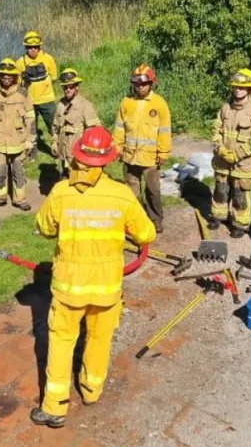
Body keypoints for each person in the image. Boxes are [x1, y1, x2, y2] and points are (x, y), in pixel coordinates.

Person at [30, 126, 157, 428]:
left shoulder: (61, 192)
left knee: (60, 342)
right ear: (107, 161)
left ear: (77, 156)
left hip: (68, 289)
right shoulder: (122, 195)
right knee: (99, 339)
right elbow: (146, 233)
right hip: (107, 289)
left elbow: (45, 228)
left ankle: (54, 407)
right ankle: (91, 391)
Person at [112, 64, 172, 233]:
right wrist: (117, 147)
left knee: (153, 189)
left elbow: (165, 130)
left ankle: (156, 219)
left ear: (151, 83)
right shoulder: (126, 102)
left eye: (143, 84)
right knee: (132, 190)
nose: (140, 87)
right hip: (130, 155)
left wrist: (164, 152)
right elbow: (119, 127)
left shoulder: (159, 104)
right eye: (137, 84)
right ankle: (136, 219)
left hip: (150, 158)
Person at [207, 69, 251, 238]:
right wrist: (221, 149)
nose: (237, 90)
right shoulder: (225, 107)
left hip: (244, 162)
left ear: (249, 89)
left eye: (242, 87)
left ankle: (240, 224)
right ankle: (219, 216)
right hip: (223, 159)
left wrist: (237, 154)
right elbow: (215, 130)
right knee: (221, 189)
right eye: (235, 87)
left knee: (240, 194)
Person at [0, 59, 35, 210]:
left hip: (18, 142)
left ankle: (20, 200)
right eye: (3, 75)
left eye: (9, 76)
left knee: (18, 172)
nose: (6, 78)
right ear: (0, 76)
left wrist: (30, 141)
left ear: (15, 77)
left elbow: (31, 119)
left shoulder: (23, 94)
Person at [51, 68, 101, 177]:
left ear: (77, 87)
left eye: (71, 87)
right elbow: (55, 127)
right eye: (65, 87)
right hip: (64, 158)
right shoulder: (60, 105)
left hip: (78, 160)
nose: (67, 90)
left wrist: (87, 155)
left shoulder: (85, 106)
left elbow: (95, 132)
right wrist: (54, 142)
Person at [15, 31, 58, 155]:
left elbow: (54, 77)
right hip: (29, 101)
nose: (33, 50)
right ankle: (32, 152)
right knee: (30, 127)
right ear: (25, 47)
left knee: (54, 125)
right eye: (29, 47)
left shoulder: (48, 59)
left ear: (39, 47)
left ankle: (58, 148)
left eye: (36, 47)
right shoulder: (20, 63)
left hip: (47, 100)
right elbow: (18, 84)